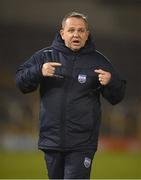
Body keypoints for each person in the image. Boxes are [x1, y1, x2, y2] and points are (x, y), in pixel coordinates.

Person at [16, 12, 126, 179]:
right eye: (71, 30)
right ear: (62, 33)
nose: (76, 34)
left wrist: (111, 82)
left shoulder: (99, 61)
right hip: (52, 141)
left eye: (81, 31)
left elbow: (117, 97)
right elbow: (21, 83)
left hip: (82, 142)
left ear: (87, 34)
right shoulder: (45, 56)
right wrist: (38, 71)